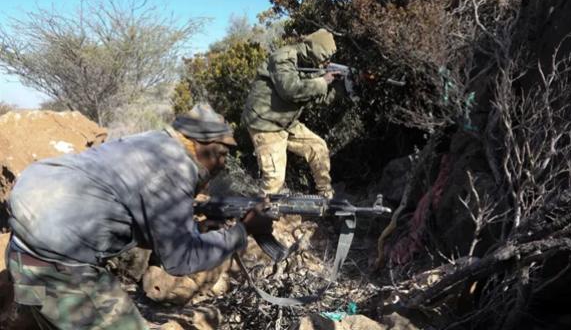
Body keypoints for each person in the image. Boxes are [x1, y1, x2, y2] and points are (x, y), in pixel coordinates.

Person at [5, 103, 270, 330]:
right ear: (202, 145)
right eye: (222, 154)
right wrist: (242, 231)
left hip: (22, 254)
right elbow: (181, 260)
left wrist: (194, 228)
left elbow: (128, 206)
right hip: (58, 267)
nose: (223, 164)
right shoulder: (175, 167)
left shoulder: (149, 143)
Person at [242, 28, 340, 199]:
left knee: (318, 147)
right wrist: (322, 81)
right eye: (326, 57)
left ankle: (326, 195)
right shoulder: (284, 57)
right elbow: (290, 90)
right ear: (317, 49)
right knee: (274, 180)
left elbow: (314, 97)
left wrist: (341, 88)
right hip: (265, 123)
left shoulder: (309, 63)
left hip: (286, 121)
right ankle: (258, 219)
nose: (326, 62)